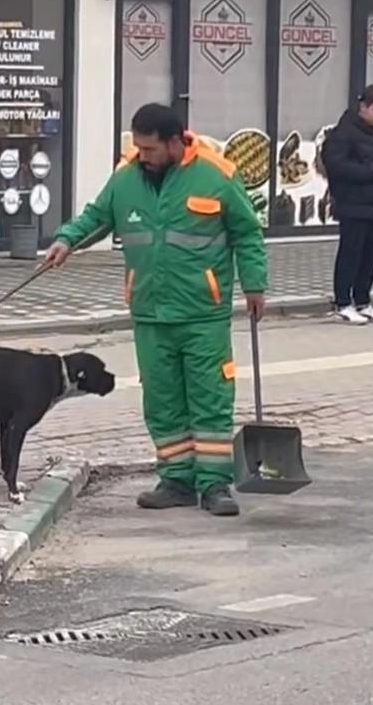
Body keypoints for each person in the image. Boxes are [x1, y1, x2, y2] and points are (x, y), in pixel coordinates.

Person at [45, 103, 268, 517]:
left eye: (148, 149)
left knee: (209, 398)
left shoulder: (217, 175)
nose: (141, 156)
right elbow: (98, 217)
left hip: (203, 313)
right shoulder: (127, 177)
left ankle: (214, 485)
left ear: (173, 142)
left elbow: (247, 232)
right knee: (162, 400)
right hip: (150, 312)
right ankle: (176, 479)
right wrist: (67, 240)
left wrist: (255, 285)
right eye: (137, 148)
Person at [322, 84, 373, 325]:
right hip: (353, 203)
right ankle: (343, 302)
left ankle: (363, 301)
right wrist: (372, 173)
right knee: (351, 253)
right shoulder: (343, 132)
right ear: (363, 107)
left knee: (370, 255)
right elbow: (336, 165)